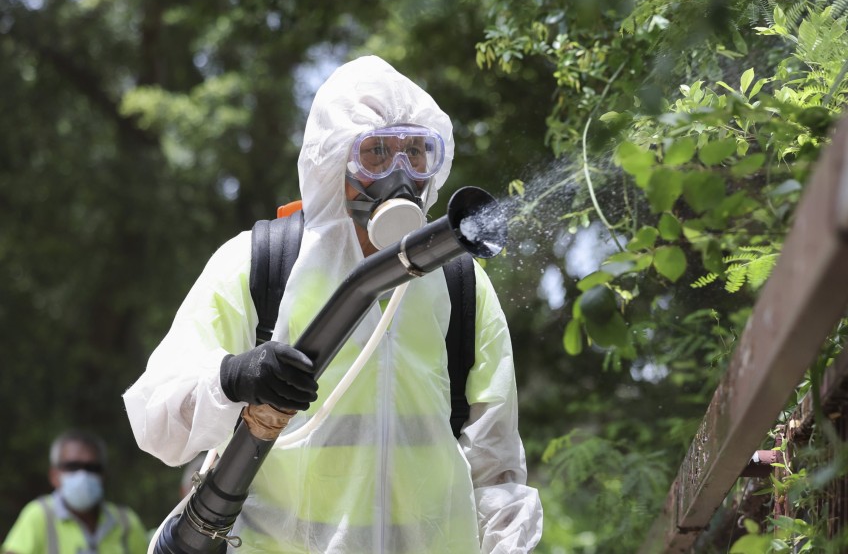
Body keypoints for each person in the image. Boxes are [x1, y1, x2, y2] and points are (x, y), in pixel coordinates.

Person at [123, 55, 543, 553]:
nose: (400, 174)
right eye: (376, 154)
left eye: (416, 152)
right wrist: (233, 375)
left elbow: (496, 468)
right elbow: (156, 419)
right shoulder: (261, 262)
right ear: (332, 161)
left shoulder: (457, 279)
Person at [1, 429, 149, 554]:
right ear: (54, 475)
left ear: (103, 475)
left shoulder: (127, 522)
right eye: (72, 466)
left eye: (91, 468)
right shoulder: (39, 515)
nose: (82, 475)